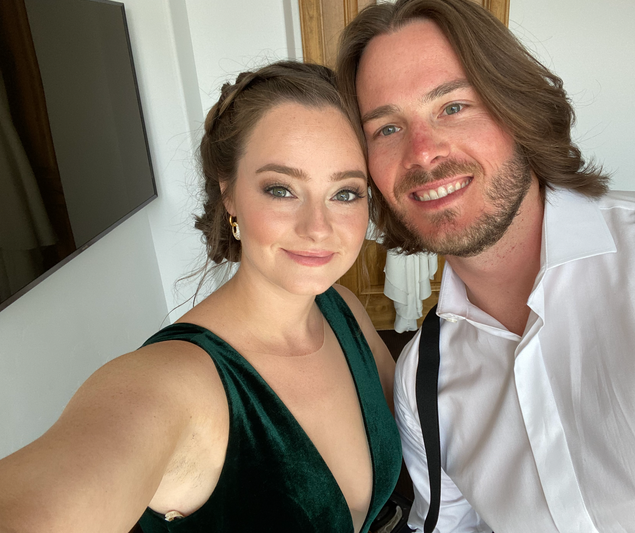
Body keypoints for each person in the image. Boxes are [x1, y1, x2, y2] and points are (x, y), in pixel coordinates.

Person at [336, 0, 635, 532]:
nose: (422, 152)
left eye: (453, 106)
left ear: (516, 110)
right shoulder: (422, 378)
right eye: (387, 129)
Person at [0, 61, 402, 533]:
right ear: (229, 193)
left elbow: (419, 426)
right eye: (281, 189)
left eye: (346, 193)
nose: (317, 228)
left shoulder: (345, 310)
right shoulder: (172, 384)